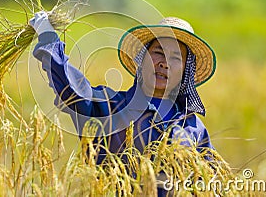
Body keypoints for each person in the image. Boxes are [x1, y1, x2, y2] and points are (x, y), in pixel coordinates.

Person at [30, 11, 217, 192]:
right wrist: (48, 37)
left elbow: (212, 183)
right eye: (158, 52)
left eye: (175, 57)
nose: (164, 63)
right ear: (142, 60)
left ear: (186, 71)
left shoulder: (193, 128)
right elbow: (72, 89)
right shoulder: (111, 107)